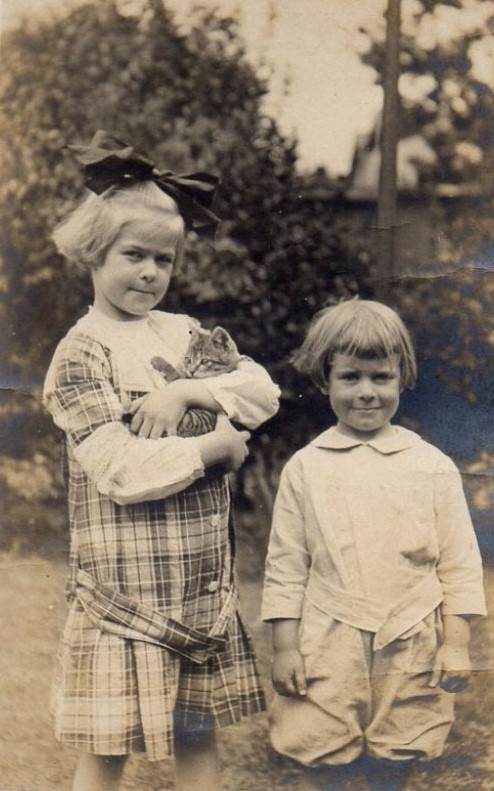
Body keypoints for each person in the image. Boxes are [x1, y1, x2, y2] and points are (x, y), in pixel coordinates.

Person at [43, 130, 280, 791]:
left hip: (197, 585)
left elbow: (261, 391)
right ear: (95, 251)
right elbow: (119, 470)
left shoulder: (182, 336)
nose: (151, 272)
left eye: (165, 260)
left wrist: (190, 389)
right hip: (123, 592)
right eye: (134, 255)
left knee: (196, 736)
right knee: (106, 749)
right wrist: (213, 447)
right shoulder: (81, 355)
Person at [261, 299, 486, 790]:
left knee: (400, 743)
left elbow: (460, 564)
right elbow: (286, 565)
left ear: (402, 377)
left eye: (380, 377)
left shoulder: (430, 465)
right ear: (325, 381)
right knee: (323, 743)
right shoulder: (307, 467)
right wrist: (284, 648)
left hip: (409, 630)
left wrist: (457, 642)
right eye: (351, 378)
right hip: (329, 632)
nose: (366, 393)